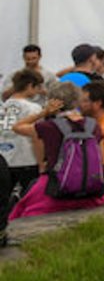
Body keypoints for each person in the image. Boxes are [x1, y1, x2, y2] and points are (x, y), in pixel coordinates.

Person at [8, 82, 104, 220]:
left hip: (56, 189)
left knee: (18, 213)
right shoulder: (93, 125)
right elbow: (102, 158)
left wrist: (45, 112)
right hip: (90, 190)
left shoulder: (48, 127)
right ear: (77, 100)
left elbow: (17, 127)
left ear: (53, 101)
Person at [1, 69, 45, 198]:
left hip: (4, 159)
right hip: (26, 159)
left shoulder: (2, 107)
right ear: (30, 85)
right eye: (37, 87)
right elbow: (37, 136)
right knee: (29, 197)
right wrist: (41, 162)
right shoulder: (33, 108)